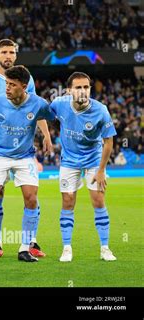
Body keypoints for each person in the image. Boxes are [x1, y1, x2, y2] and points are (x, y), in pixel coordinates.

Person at [0, 65, 55, 263]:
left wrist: (51, 136)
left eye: (12, 85)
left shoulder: (38, 104)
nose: (7, 88)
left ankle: (25, 248)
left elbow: (55, 117)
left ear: (24, 87)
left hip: (25, 156)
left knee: (31, 199)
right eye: (6, 83)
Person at [50, 72, 117, 262]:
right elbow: (45, 114)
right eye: (78, 87)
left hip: (94, 159)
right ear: (69, 90)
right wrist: (50, 134)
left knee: (98, 201)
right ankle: (67, 248)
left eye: (86, 87)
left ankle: (105, 248)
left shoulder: (100, 110)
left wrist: (101, 170)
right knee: (68, 202)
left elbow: (109, 142)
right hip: (69, 160)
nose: (83, 91)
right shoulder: (59, 104)